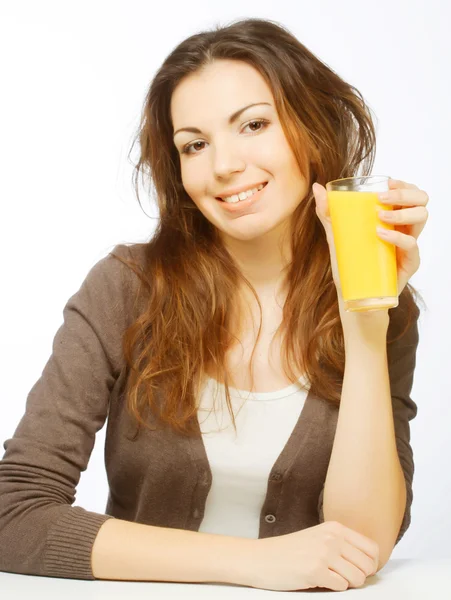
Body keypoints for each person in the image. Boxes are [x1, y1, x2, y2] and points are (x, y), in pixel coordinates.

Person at [0, 17, 428, 592]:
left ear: (312, 128)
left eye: (253, 124)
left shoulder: (382, 304)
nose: (223, 164)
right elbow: (13, 515)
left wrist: (366, 316)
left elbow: (361, 544)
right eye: (194, 144)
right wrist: (258, 563)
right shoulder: (125, 289)